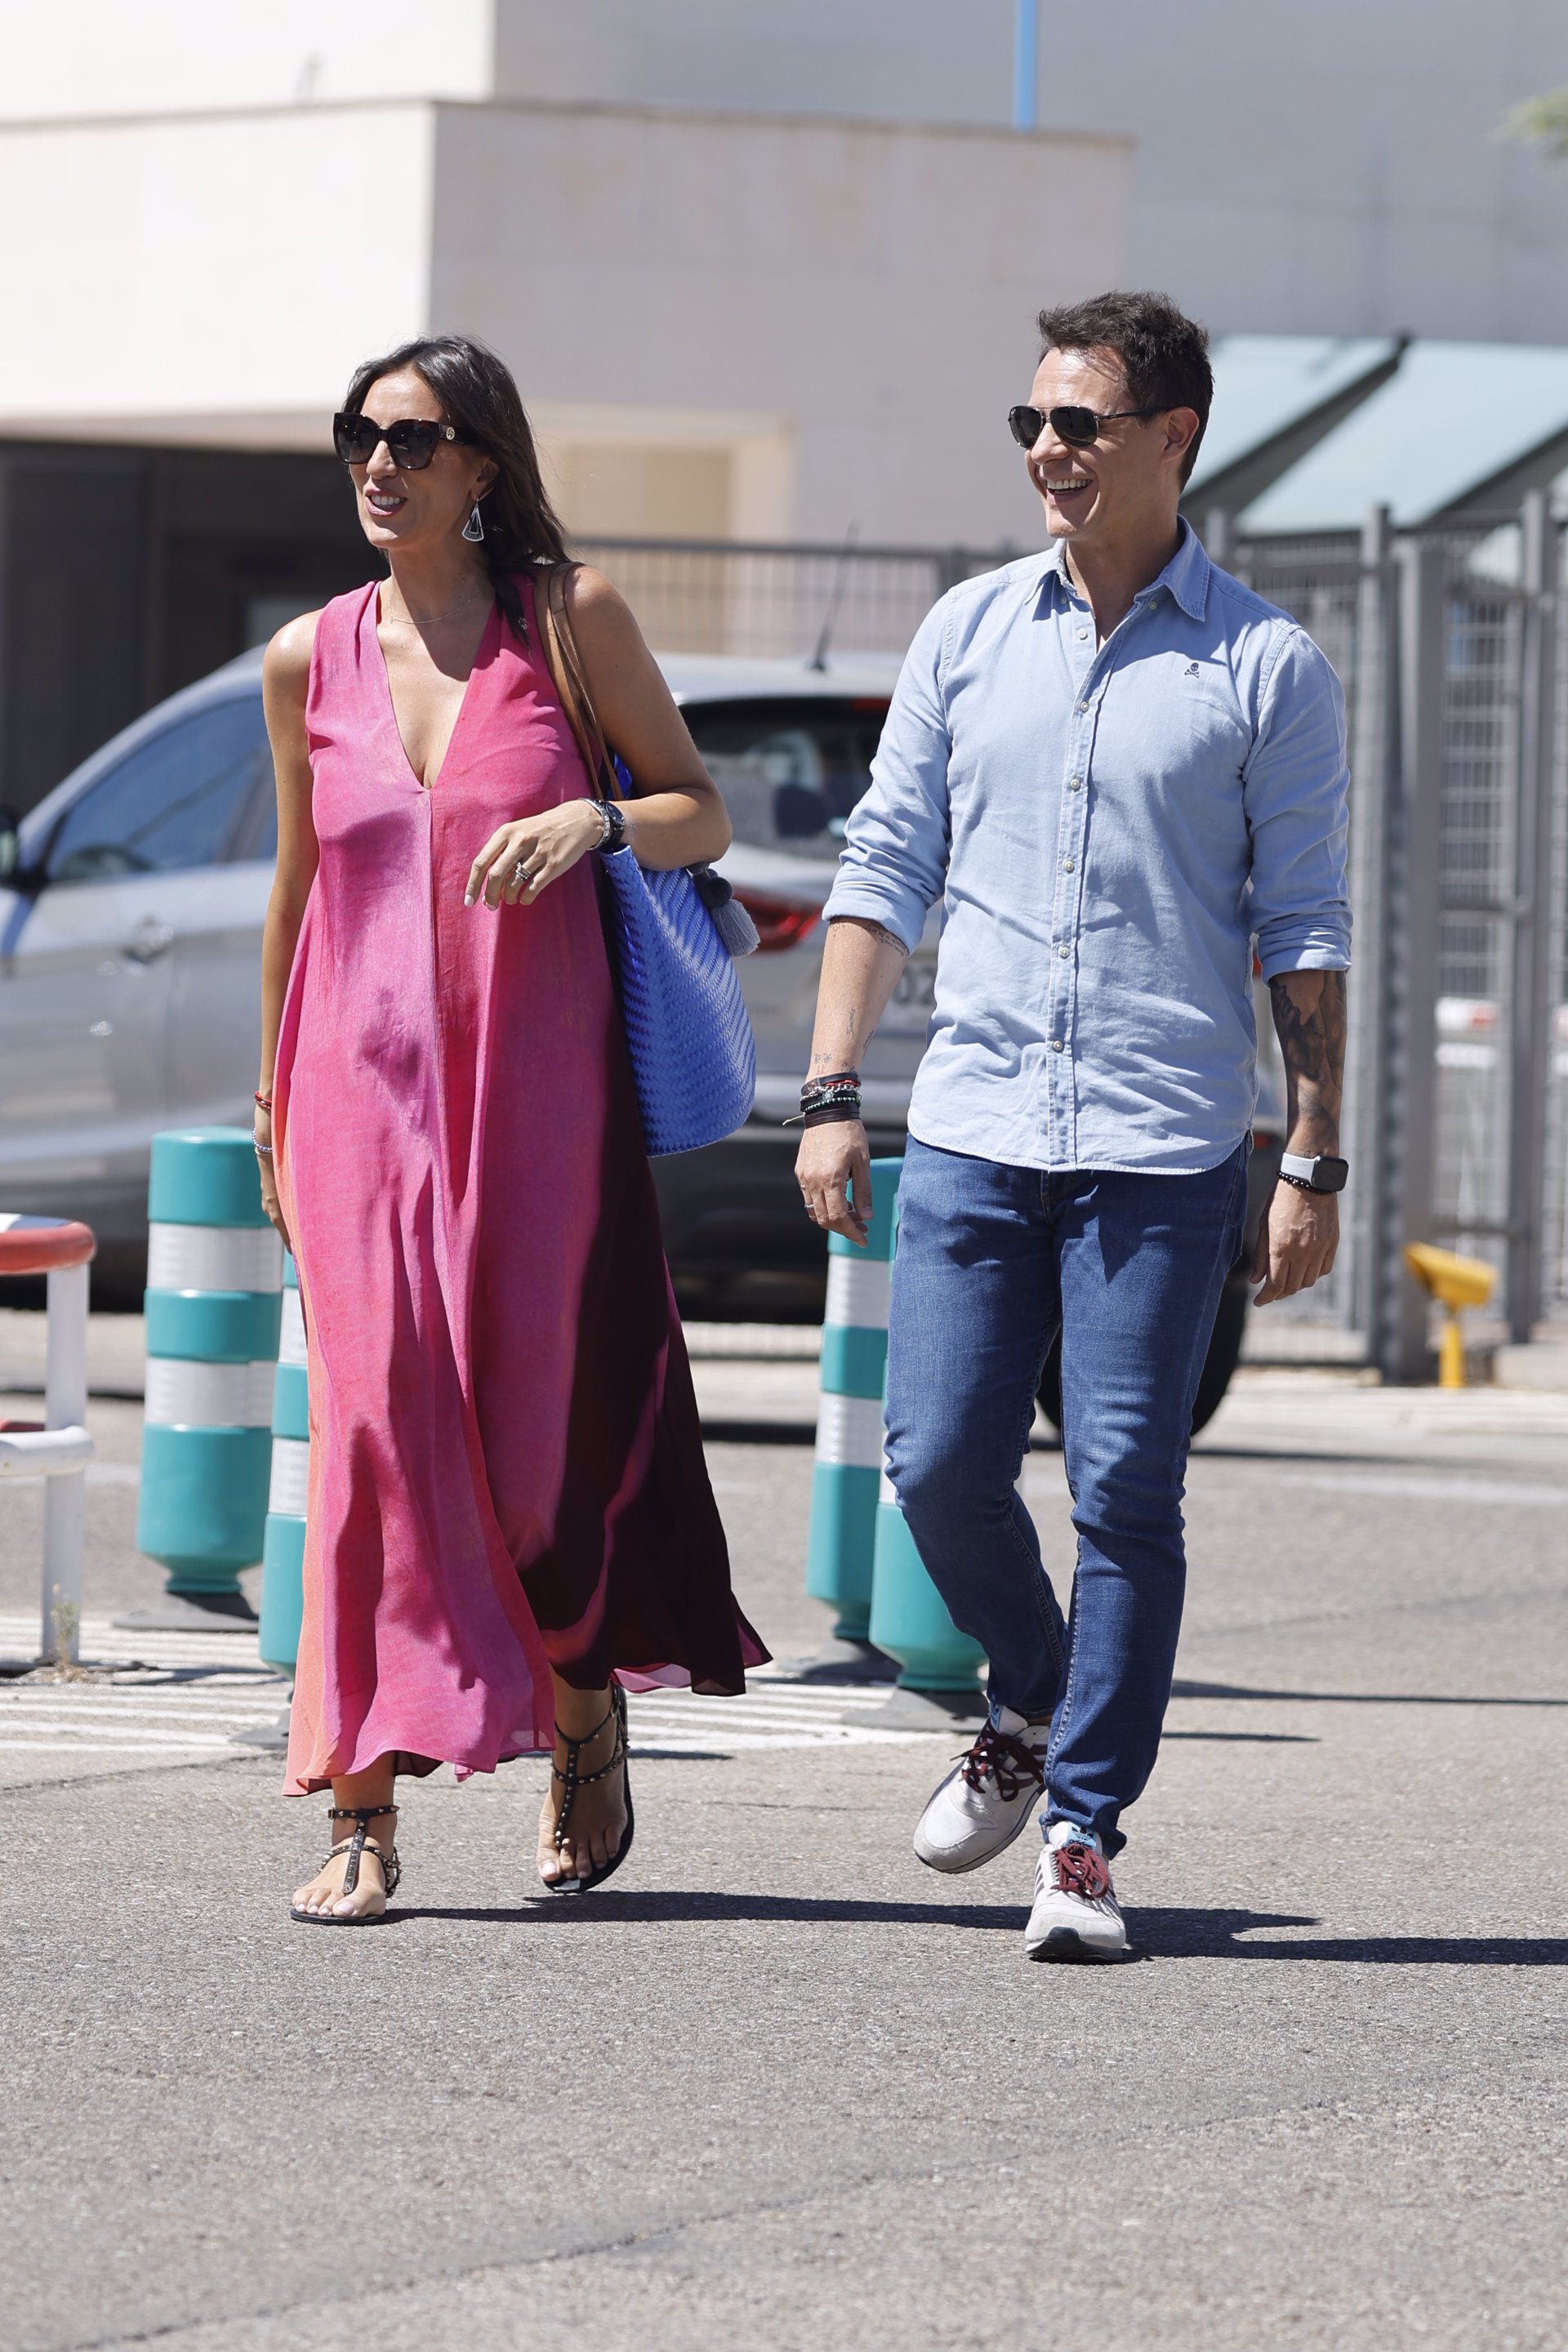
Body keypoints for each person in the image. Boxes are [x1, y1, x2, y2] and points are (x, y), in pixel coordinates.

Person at [796, 291, 1349, 1962]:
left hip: (1162, 1140)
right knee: (938, 1463)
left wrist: (1312, 1153)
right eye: (1030, 424)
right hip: (970, 1123)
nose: (1046, 452)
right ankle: (1028, 1700)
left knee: (1127, 1490)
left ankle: (1088, 1835)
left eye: (1078, 425)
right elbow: (883, 868)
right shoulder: (967, 633)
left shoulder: (1265, 663)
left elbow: (1304, 928)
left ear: (1169, 438)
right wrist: (831, 1096)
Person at [256, 333, 766, 1923]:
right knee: (368, 1440)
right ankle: (361, 1810)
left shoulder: (573, 621)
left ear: (483, 460)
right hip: (356, 1100)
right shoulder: (308, 659)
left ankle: (585, 1706)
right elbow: (302, 887)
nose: (376, 463)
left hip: (538, 1112)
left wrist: (595, 813)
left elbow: (702, 808)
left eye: (410, 437)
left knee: (537, 1454)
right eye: (358, 435)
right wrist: (271, 1093)